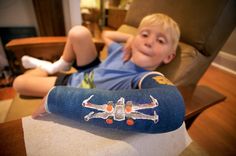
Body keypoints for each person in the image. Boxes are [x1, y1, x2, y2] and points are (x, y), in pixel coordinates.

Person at [13, 13, 184, 133]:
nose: (149, 42)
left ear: (169, 57)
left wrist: (59, 99)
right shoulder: (121, 50)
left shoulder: (143, 78)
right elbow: (106, 33)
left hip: (72, 85)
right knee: (78, 32)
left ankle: (46, 69)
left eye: (160, 40)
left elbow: (171, 107)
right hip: (91, 69)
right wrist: (129, 38)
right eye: (144, 35)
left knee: (18, 83)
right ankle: (57, 66)